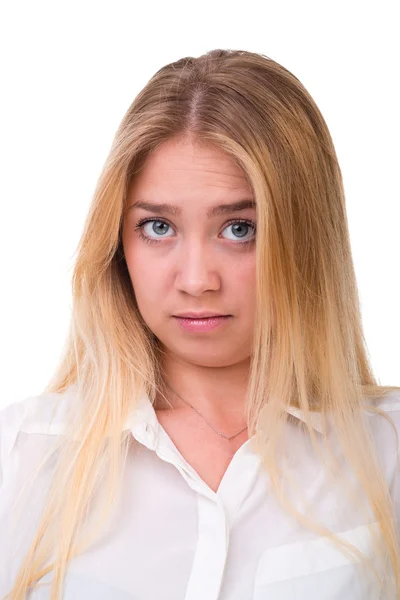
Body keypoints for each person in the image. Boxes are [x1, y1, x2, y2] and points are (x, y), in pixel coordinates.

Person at [0, 48, 399, 600]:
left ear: (305, 239)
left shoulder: (387, 451)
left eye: (239, 229)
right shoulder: (21, 455)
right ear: (117, 243)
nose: (195, 280)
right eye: (159, 226)